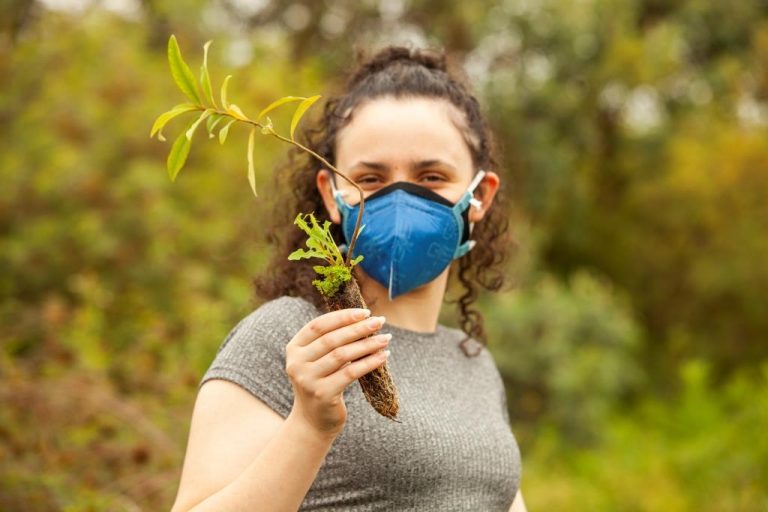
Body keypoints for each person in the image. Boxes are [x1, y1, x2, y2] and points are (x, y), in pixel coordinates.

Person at [171, 45, 526, 512]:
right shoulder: (289, 337)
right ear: (333, 196)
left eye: (431, 176)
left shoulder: (473, 362)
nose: (401, 199)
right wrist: (309, 425)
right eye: (372, 179)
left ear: (479, 196)